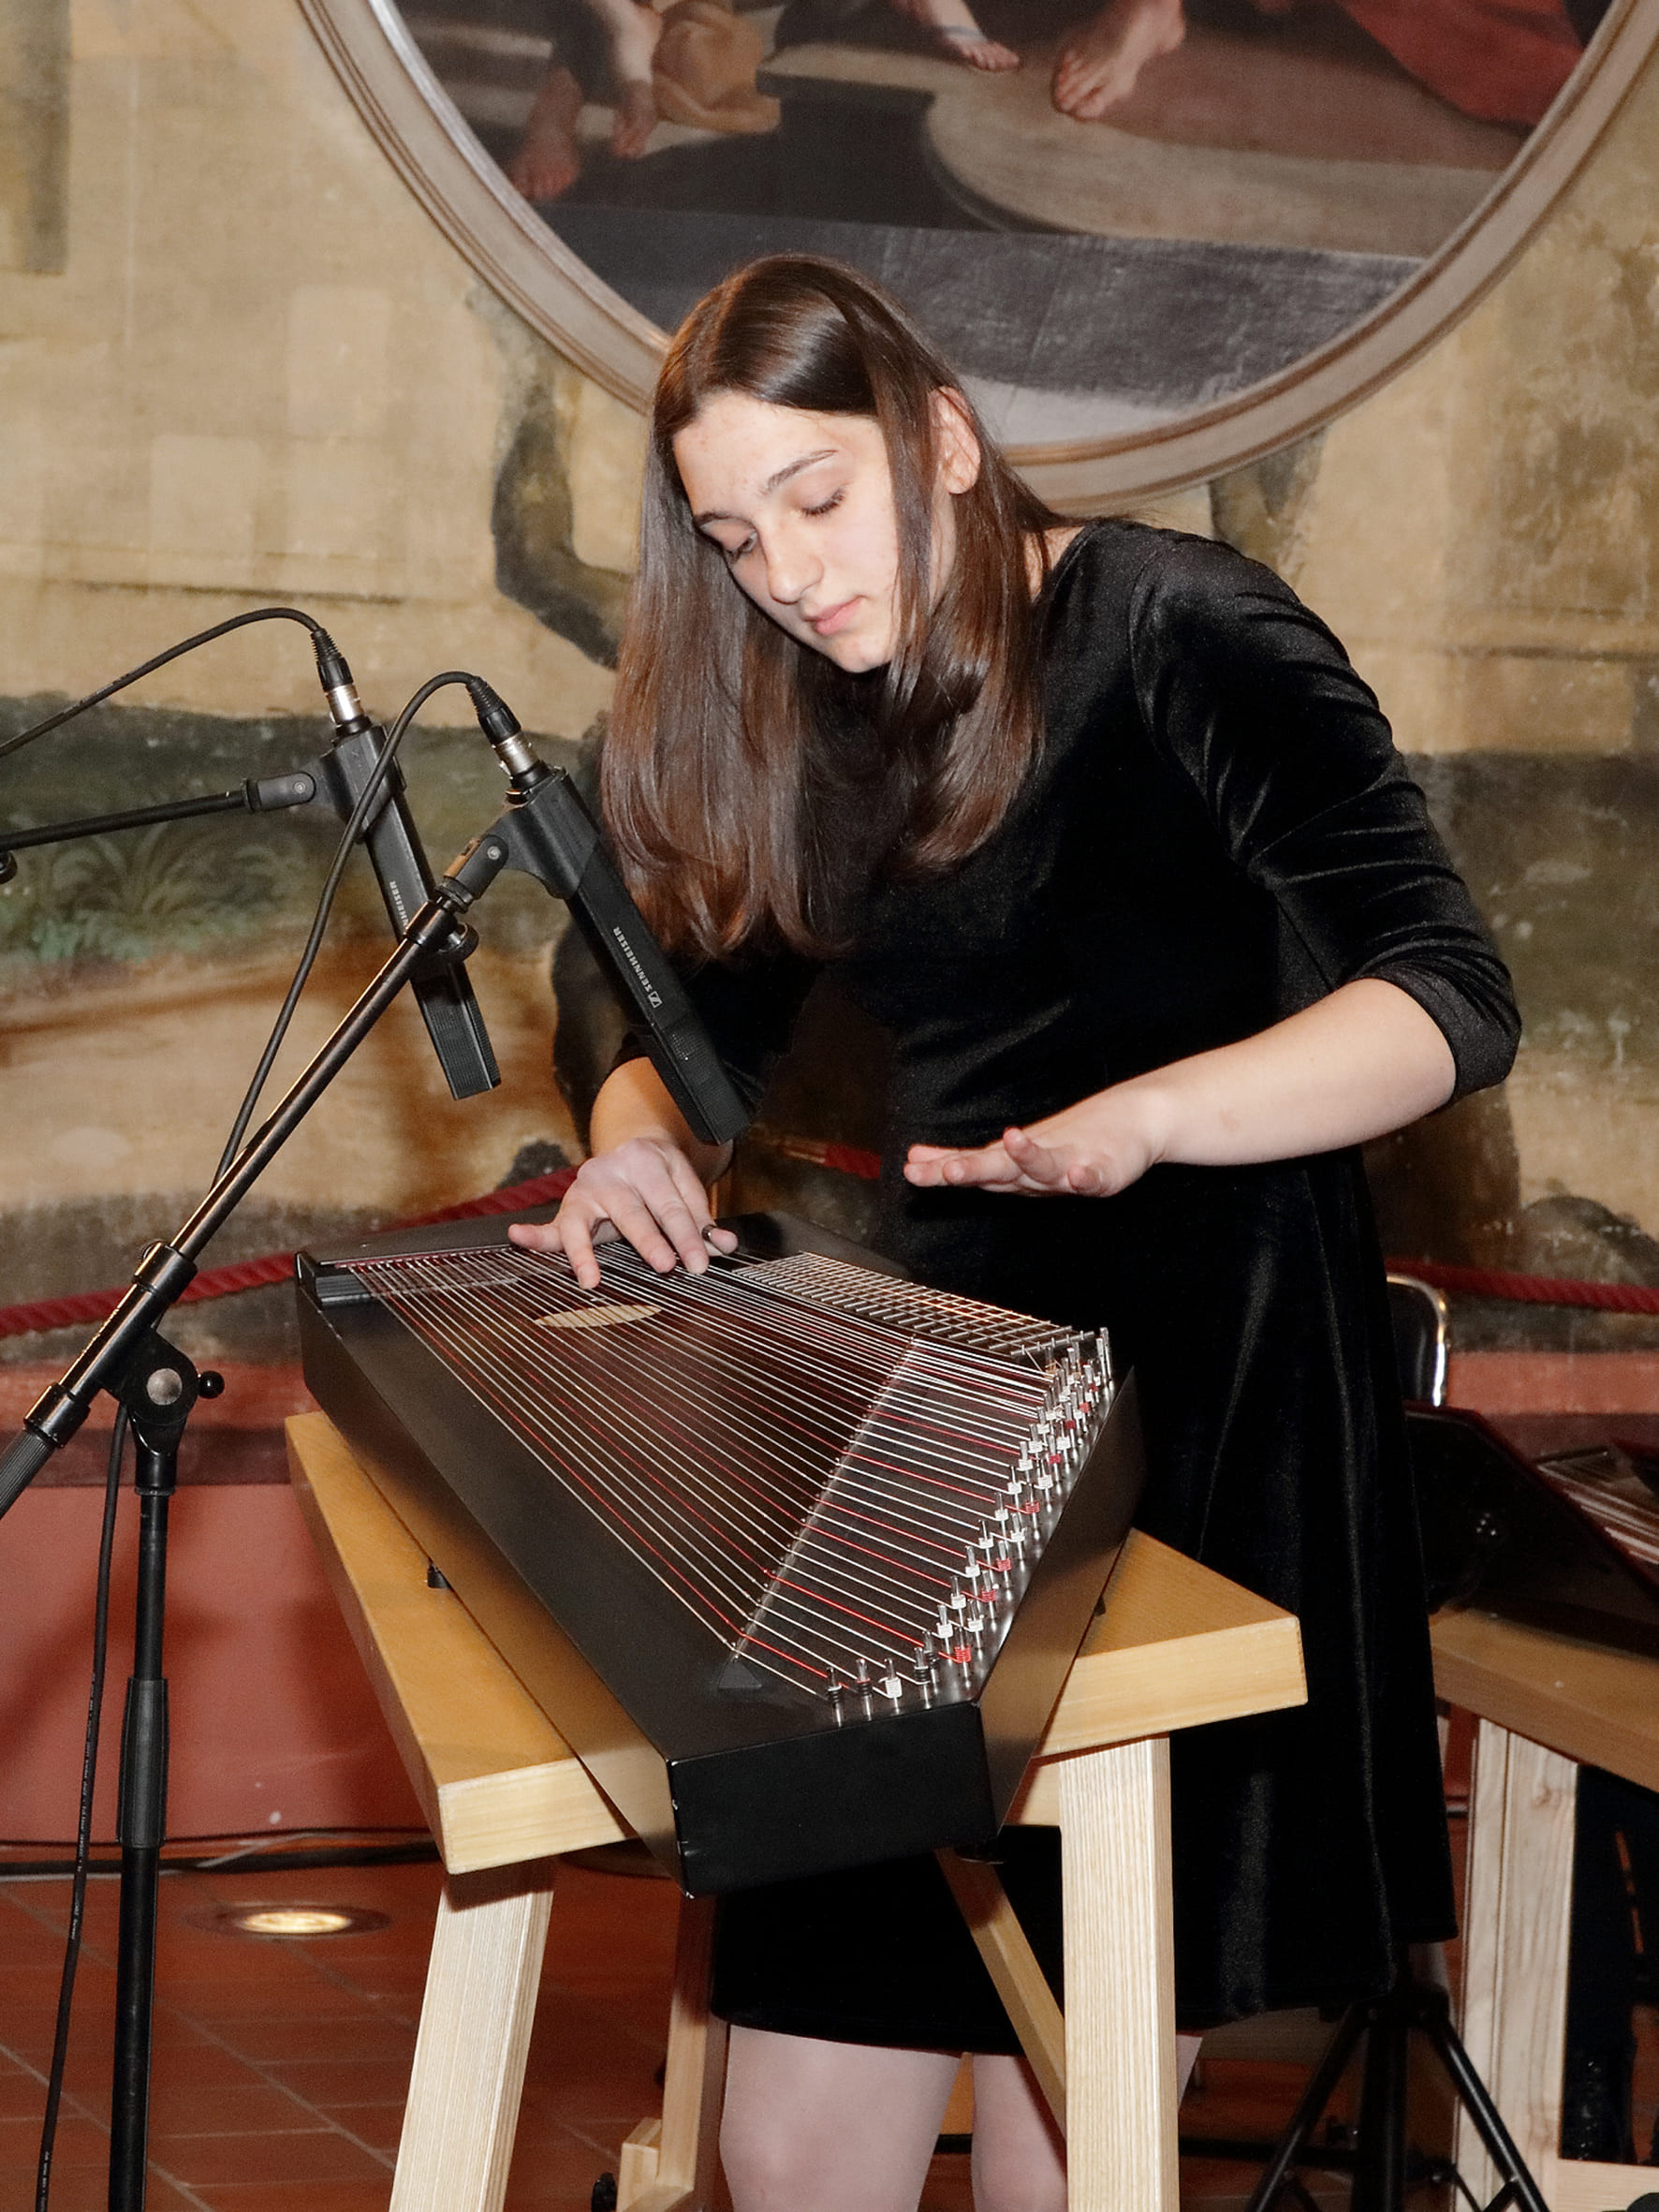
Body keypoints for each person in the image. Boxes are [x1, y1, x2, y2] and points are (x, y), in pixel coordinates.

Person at [510, 255, 1520, 2211]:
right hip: (919, 1432)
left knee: (1076, 2128)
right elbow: (641, 990)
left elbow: (1448, 992)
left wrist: (1150, 1116)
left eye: (818, 499)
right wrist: (633, 1133)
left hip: (1200, 1418)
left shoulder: (1179, 632)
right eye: (734, 536)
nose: (787, 574)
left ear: (945, 438)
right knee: (793, 2136)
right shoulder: (802, 704)